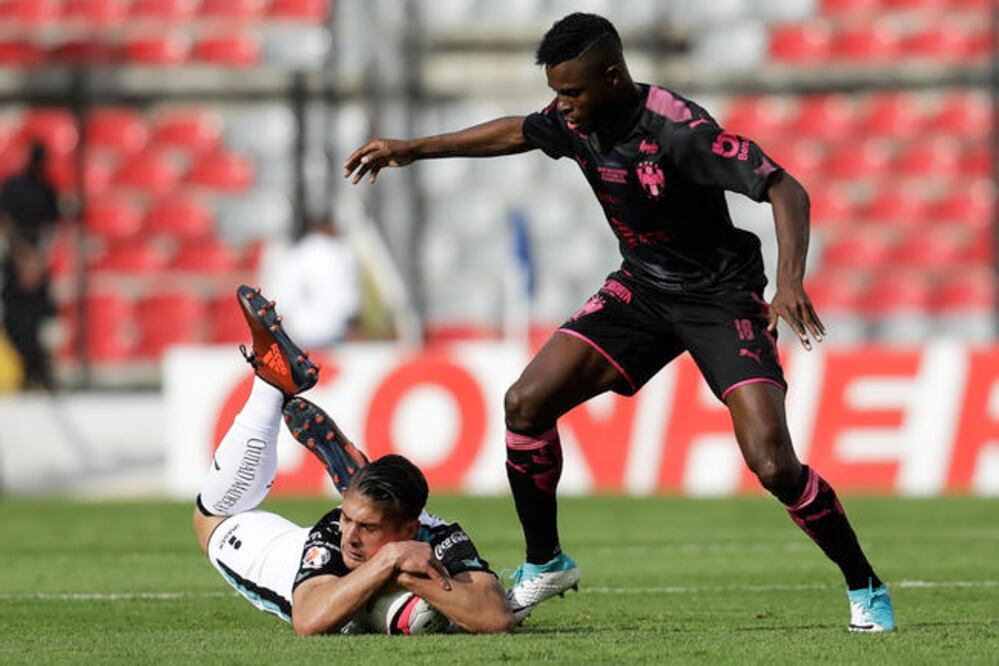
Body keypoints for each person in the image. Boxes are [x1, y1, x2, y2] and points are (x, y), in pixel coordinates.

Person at [343, 13, 895, 632]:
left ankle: (866, 586)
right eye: (556, 92)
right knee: (525, 403)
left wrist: (790, 279)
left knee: (772, 464)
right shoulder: (578, 119)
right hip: (643, 289)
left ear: (612, 77)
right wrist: (413, 149)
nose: (561, 105)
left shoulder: (680, 132)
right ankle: (545, 562)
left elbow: (785, 188)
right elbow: (516, 132)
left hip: (721, 298)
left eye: (571, 92)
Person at [191, 284, 513, 635]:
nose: (352, 537)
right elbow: (309, 619)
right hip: (294, 566)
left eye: (368, 527)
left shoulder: (438, 534)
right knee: (211, 520)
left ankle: (275, 386)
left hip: (369, 552)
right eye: (348, 519)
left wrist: (405, 575)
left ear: (410, 531)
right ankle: (271, 384)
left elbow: (496, 617)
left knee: (211, 514)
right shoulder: (334, 531)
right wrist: (390, 558)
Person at [0, 143, 60, 391]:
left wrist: (29, 258)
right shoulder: (33, 187)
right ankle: (28, 371)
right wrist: (31, 258)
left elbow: (49, 229)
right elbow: (7, 223)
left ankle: (36, 373)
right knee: (18, 322)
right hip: (27, 261)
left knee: (35, 322)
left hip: (27, 260)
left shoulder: (43, 188)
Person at [267, 215, 362, 349]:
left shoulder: (295, 255)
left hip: (299, 333)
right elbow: (349, 301)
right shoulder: (342, 254)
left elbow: (281, 300)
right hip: (333, 331)